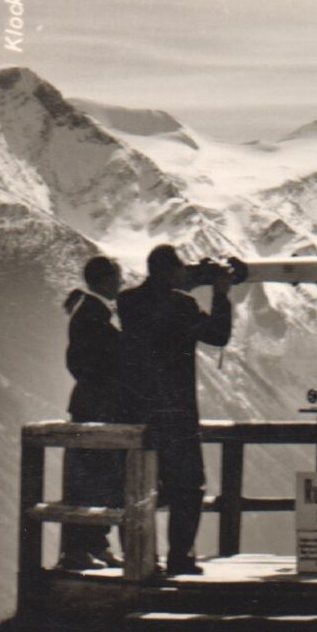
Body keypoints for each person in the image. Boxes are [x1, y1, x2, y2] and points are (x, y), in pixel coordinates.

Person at [117, 244, 233, 576]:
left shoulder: (128, 302)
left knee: (138, 485)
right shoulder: (183, 306)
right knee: (188, 486)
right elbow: (218, 335)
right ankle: (179, 557)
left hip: (137, 410)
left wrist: (186, 278)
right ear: (171, 272)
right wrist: (221, 293)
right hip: (177, 413)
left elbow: (153, 299)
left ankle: (139, 558)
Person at [58, 255, 135, 571]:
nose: (122, 282)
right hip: (100, 407)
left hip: (90, 404)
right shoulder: (96, 317)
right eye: (118, 276)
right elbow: (110, 360)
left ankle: (93, 545)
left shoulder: (90, 313)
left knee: (94, 479)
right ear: (106, 280)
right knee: (95, 480)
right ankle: (81, 549)